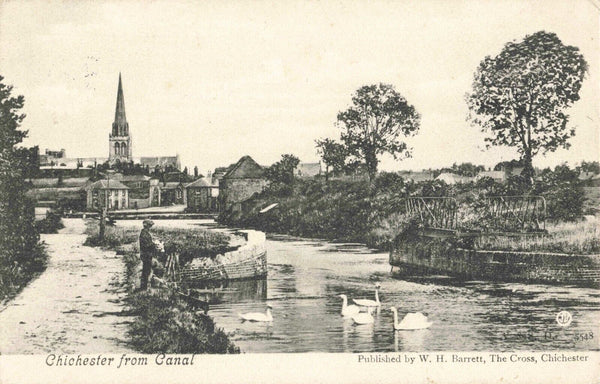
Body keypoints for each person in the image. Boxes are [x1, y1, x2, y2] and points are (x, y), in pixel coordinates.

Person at [139, 219, 157, 290]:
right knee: (146, 270)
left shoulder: (145, 232)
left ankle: (144, 286)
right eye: (149, 226)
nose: (150, 228)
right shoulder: (144, 233)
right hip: (146, 254)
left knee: (146, 270)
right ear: (147, 226)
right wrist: (153, 244)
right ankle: (143, 287)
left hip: (146, 254)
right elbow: (146, 245)